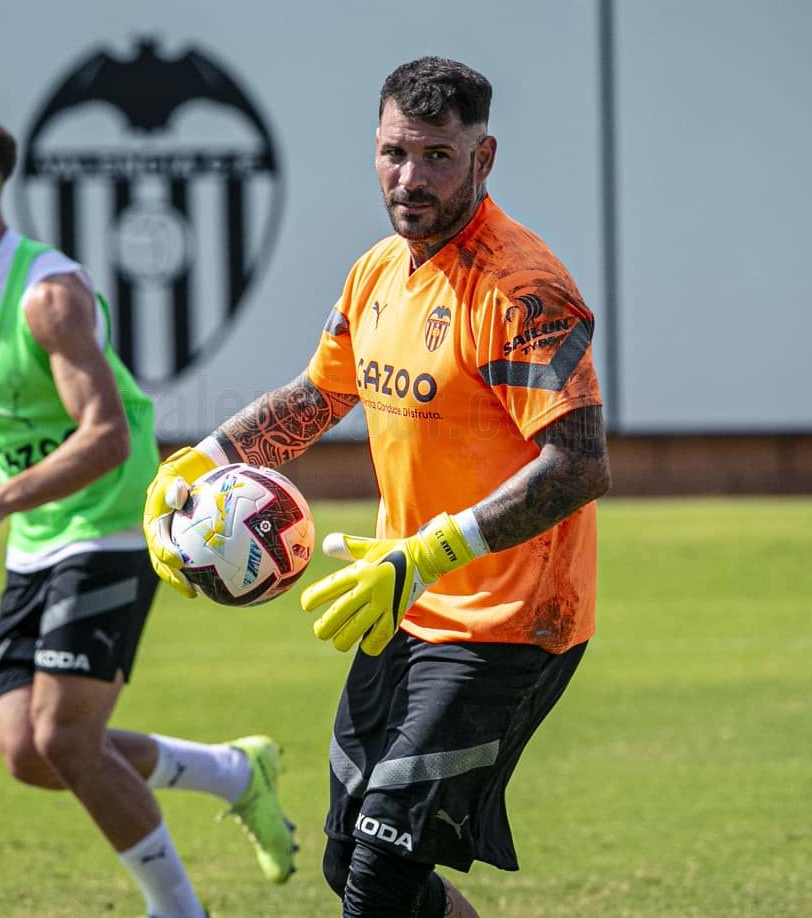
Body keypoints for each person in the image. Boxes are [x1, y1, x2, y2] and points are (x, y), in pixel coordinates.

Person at [142, 59, 611, 917]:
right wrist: (200, 460)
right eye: (396, 153)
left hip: (509, 621)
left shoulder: (523, 289)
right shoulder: (376, 273)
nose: (410, 178)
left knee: (378, 880)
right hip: (401, 605)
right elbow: (318, 397)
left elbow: (580, 465)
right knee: (348, 861)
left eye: (438, 156)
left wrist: (431, 552)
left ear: (483, 158)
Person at [0, 106, 296, 918]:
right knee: (27, 753)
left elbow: (107, 437)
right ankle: (233, 772)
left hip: (110, 521)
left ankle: (179, 911)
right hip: (38, 531)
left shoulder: (50, 296)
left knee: (66, 739)